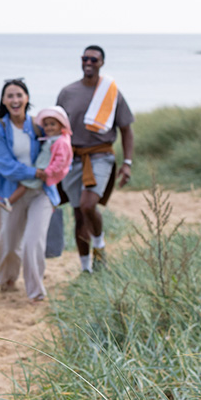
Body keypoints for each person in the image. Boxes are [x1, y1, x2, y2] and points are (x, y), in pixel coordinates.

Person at [55, 45, 134, 273]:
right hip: (73, 157)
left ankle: (99, 244)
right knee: (78, 214)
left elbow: (127, 129)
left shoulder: (111, 93)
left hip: (100, 155)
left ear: (101, 63)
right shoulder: (67, 92)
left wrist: (127, 163)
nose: (88, 62)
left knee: (90, 205)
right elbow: (55, 127)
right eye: (85, 58)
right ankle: (86, 268)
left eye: (94, 59)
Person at [0, 78, 51, 302]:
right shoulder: (0, 127)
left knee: (33, 243)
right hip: (11, 193)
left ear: (27, 98)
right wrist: (33, 173)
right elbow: (4, 165)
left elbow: (56, 150)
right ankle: (5, 281)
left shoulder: (39, 125)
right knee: (8, 244)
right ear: (4, 101)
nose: (15, 100)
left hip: (40, 193)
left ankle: (36, 292)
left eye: (19, 95)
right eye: (10, 96)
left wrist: (44, 174)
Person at [3, 105, 73, 210]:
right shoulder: (51, 139)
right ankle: (9, 201)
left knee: (26, 184)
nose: (49, 127)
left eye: (53, 124)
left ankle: (9, 202)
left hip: (44, 170)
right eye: (46, 125)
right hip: (41, 167)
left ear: (61, 125)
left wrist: (48, 171)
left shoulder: (61, 141)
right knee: (28, 184)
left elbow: (60, 161)